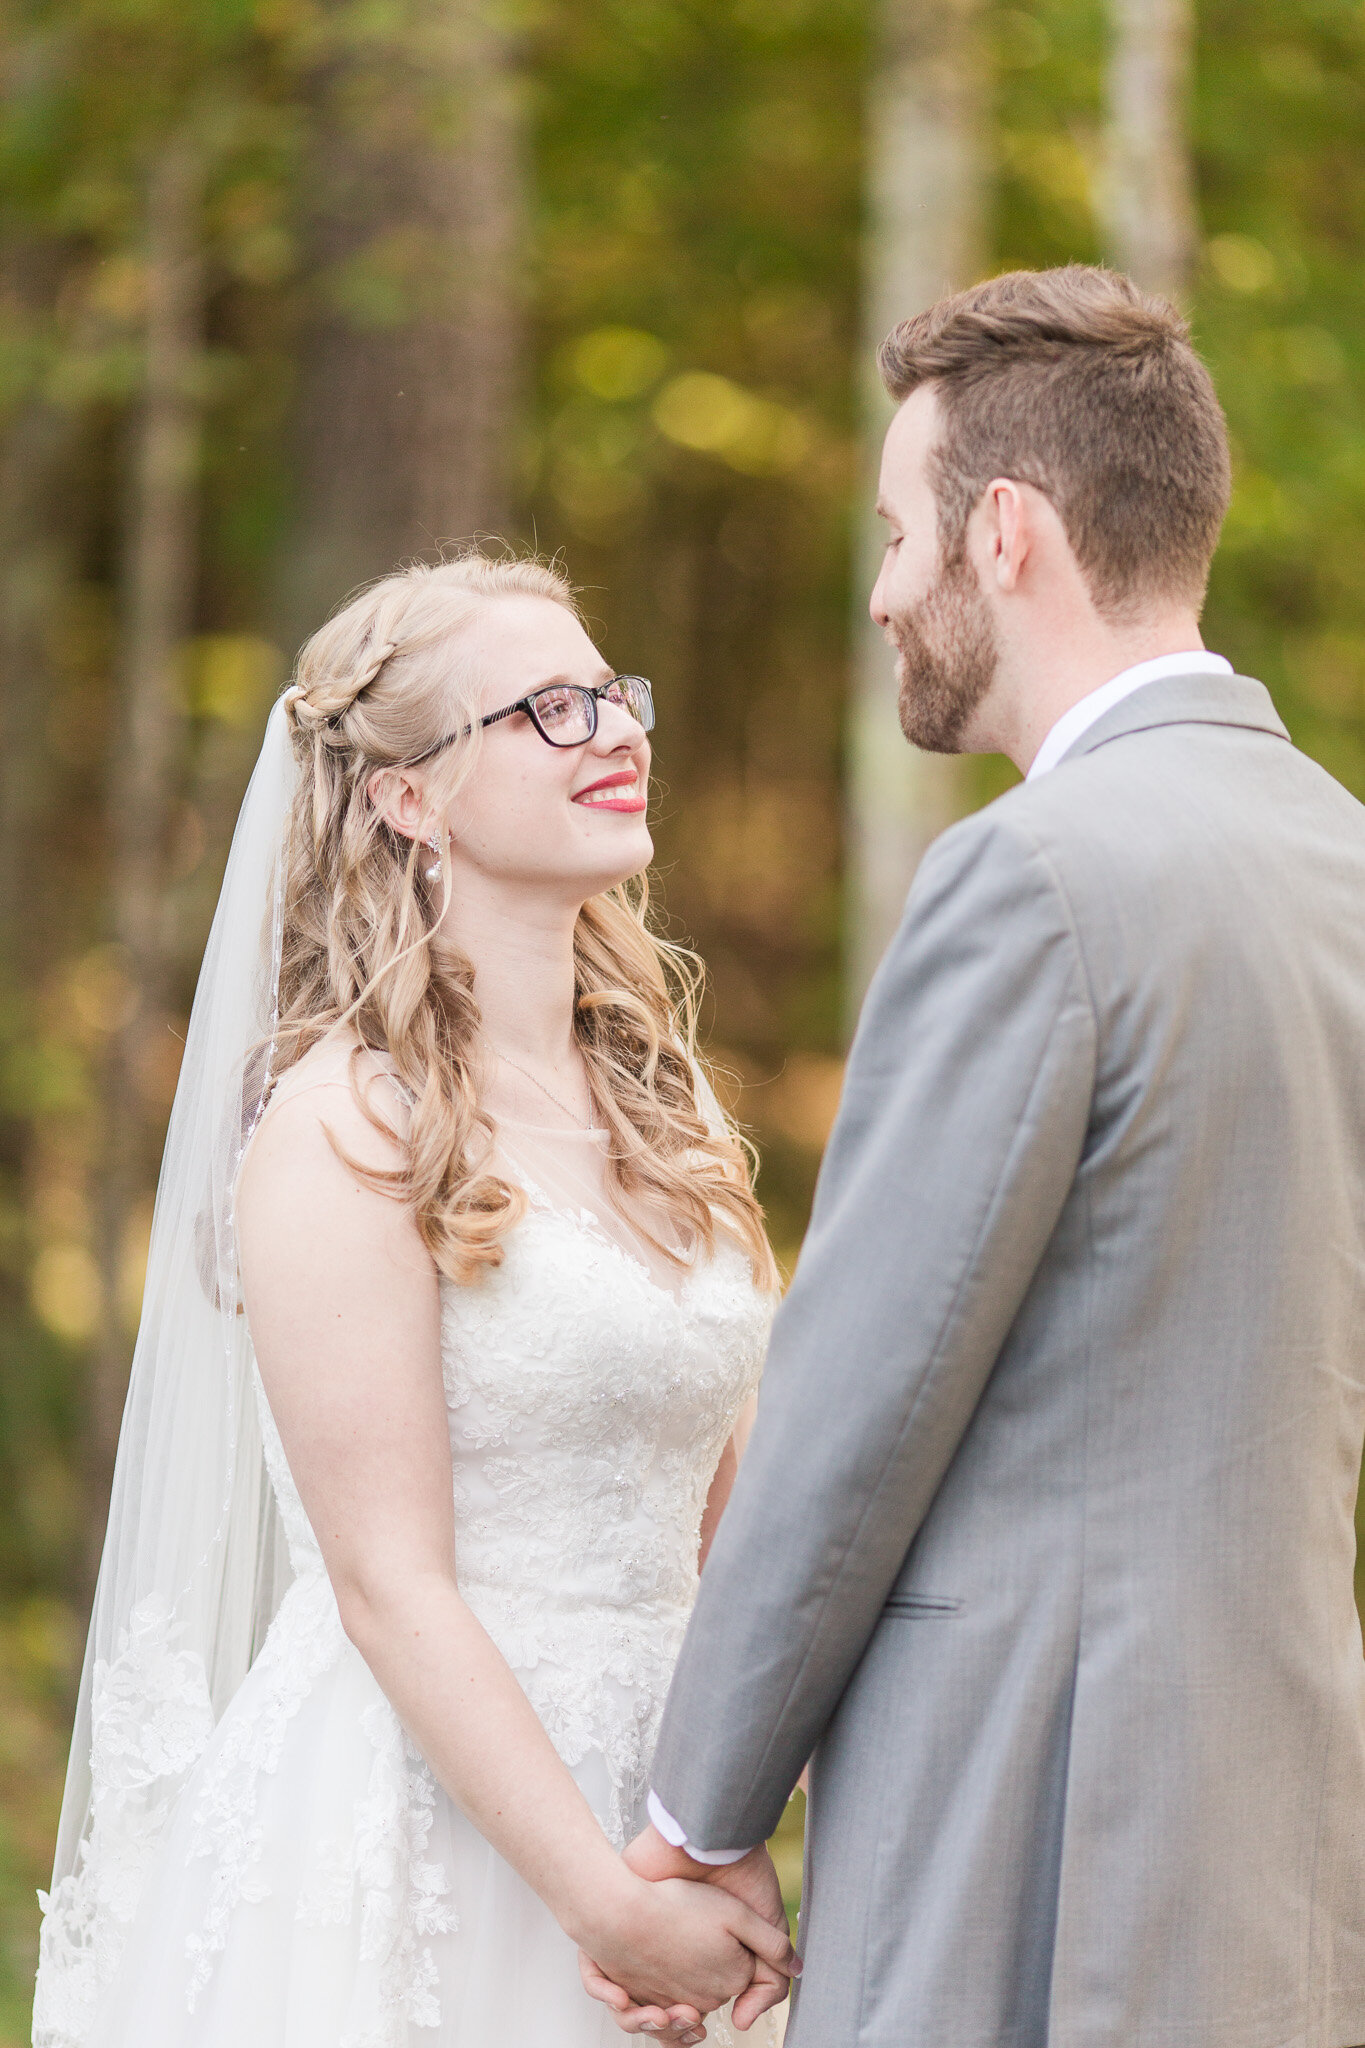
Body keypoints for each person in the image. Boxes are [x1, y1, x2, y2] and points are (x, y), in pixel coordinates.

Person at [589, 265, 1365, 2047]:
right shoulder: (1328, 848)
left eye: (892, 533)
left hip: (1034, 1820)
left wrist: (694, 1817)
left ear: (1000, 534)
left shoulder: (1031, 874)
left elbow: (861, 1397)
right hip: (1278, 1820)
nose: (877, 593)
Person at [32, 551, 798, 2048]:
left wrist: (709, 1833)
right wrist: (601, 1902)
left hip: (665, 1819)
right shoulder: (342, 1127)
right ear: (409, 797)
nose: (618, 730)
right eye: (552, 709)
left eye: (615, 694)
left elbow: (735, 1522)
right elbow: (389, 1584)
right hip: (425, 1833)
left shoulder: (670, 1108)